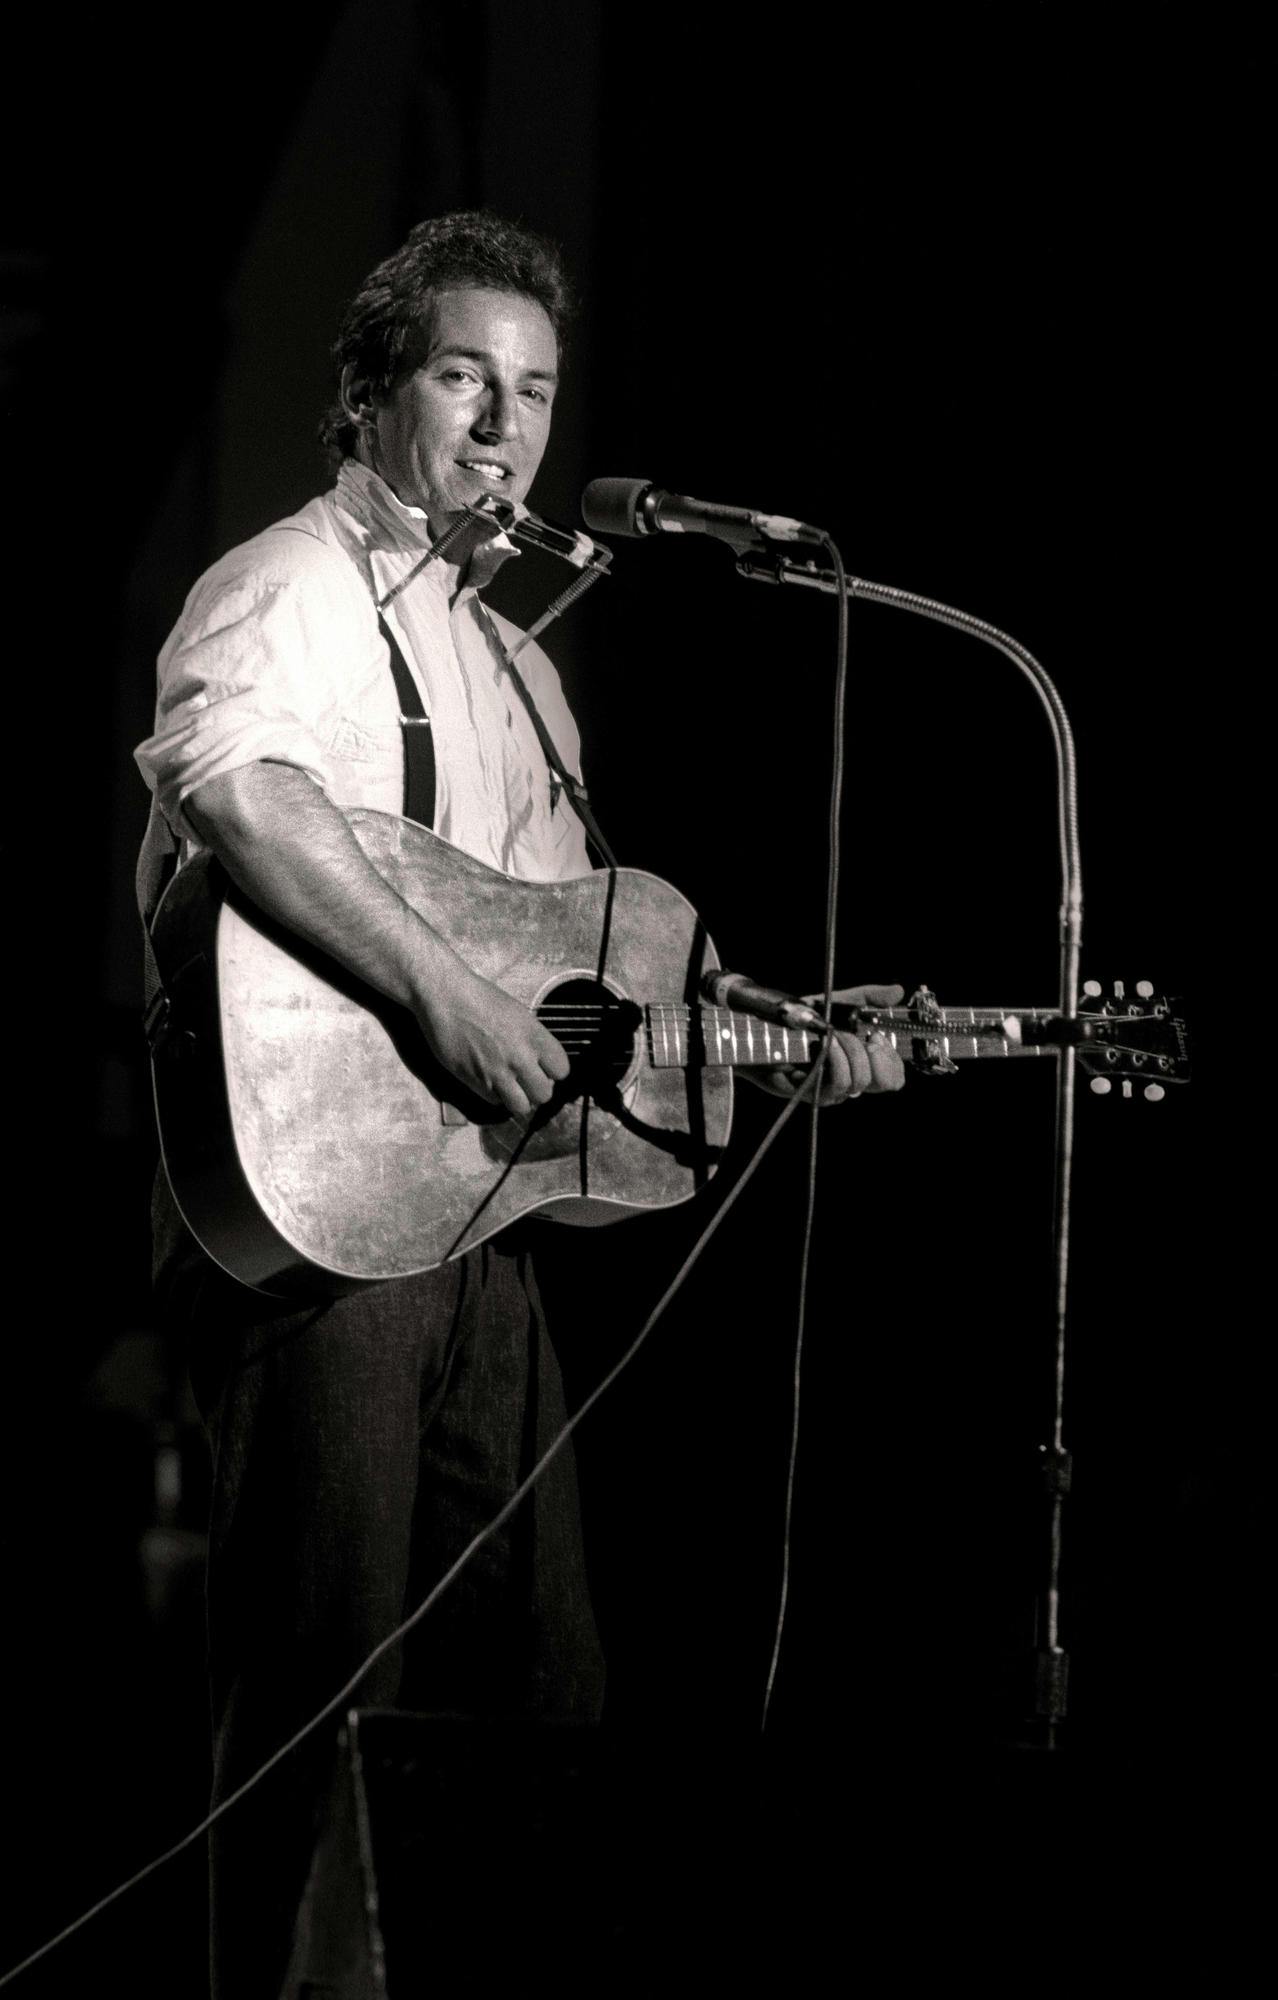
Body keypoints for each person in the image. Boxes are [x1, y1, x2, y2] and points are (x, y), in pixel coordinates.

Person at [134, 210, 904, 1998]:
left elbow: (585, 986)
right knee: (320, 1690)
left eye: (536, 392)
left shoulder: (522, 677)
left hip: (471, 1228)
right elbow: (245, 797)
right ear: (370, 395)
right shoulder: (279, 588)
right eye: (467, 377)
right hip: (316, 1218)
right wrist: (439, 991)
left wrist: (785, 1042)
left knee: (538, 1685)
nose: (505, 425)